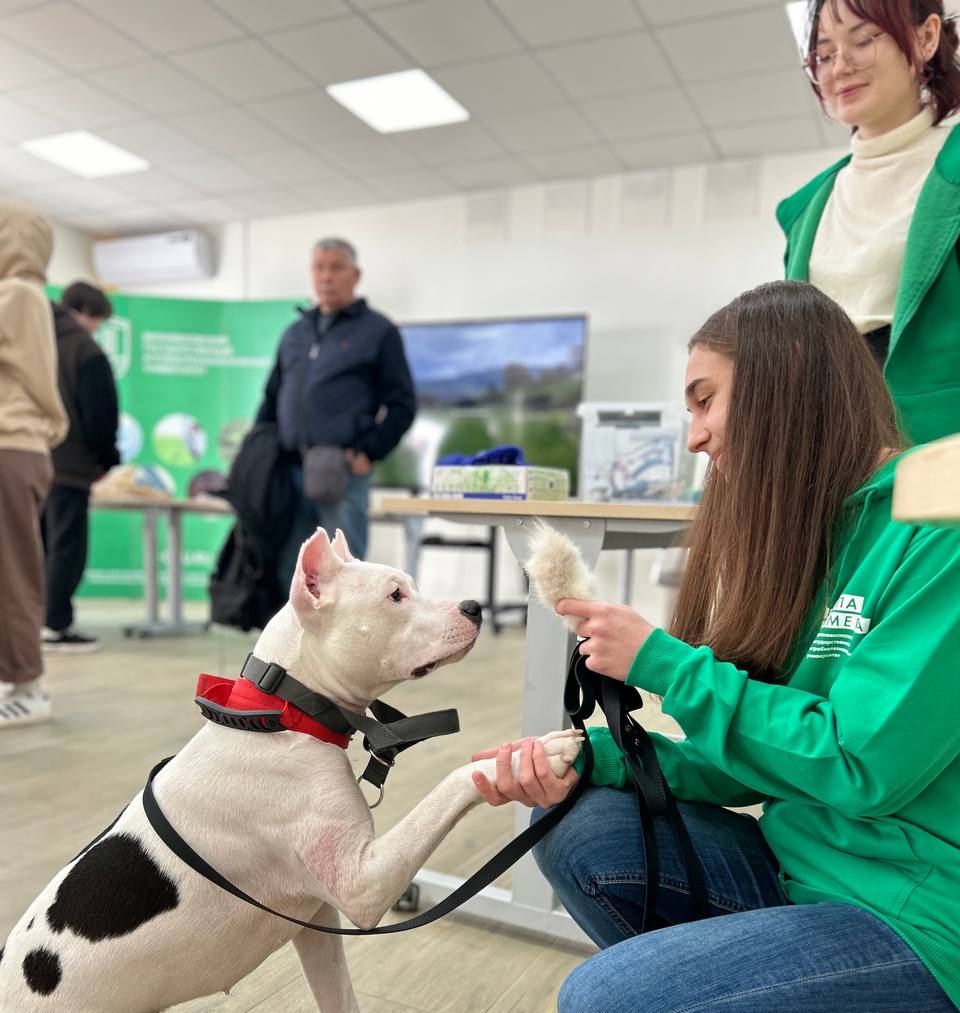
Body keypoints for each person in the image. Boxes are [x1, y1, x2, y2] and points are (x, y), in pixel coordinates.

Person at [473, 281, 960, 1012]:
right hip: (803, 863)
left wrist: (663, 664)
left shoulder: (937, 528)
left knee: (607, 998)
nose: (694, 435)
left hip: (914, 913)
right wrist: (602, 757)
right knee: (575, 814)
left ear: (786, 375)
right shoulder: (818, 534)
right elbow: (769, 754)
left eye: (705, 400)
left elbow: (858, 764)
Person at [778, 0, 960, 445]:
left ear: (926, 37)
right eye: (823, 54)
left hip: (939, 460)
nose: (840, 67)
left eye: (862, 40)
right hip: (827, 456)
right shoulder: (804, 209)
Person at [255, 238, 415, 577]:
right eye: (319, 267)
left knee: (344, 571)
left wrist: (368, 451)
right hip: (286, 470)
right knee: (292, 570)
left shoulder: (378, 331)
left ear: (355, 275)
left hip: (340, 469)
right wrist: (256, 455)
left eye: (336, 268)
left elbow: (402, 404)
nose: (326, 276)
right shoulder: (295, 333)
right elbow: (271, 398)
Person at [0, 201, 68, 728]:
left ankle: (28, 686)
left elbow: (38, 386)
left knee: (13, 573)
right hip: (15, 445)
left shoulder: (17, 294)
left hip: (11, 446)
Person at [41, 281, 120, 653]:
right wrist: (106, 459)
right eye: (99, 321)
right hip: (70, 466)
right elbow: (100, 416)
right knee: (67, 547)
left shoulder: (34, 342)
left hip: (31, 461)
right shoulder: (84, 350)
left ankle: (34, 620)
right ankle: (55, 623)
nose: (96, 329)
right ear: (87, 313)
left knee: (36, 547)